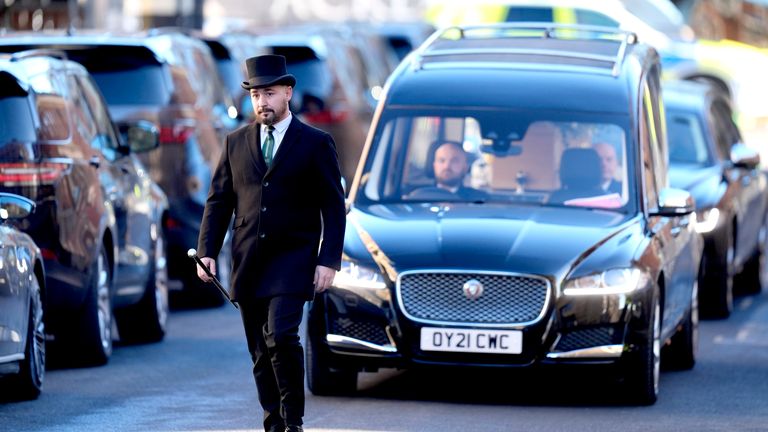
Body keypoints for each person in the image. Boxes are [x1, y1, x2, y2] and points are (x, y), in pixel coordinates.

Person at [195, 54, 345, 432]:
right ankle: (273, 423)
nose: (263, 102)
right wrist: (207, 252)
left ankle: (293, 421)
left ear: (288, 93)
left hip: (294, 260)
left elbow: (333, 205)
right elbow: (218, 201)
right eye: (257, 94)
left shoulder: (315, 143)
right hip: (249, 260)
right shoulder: (235, 143)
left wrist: (328, 260)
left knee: (281, 335)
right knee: (260, 351)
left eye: (270, 93)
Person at [408, 141, 488, 200]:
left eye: (454, 161)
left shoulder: (479, 199)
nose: (447, 166)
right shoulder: (416, 196)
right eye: (441, 160)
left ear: (465, 168)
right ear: (434, 166)